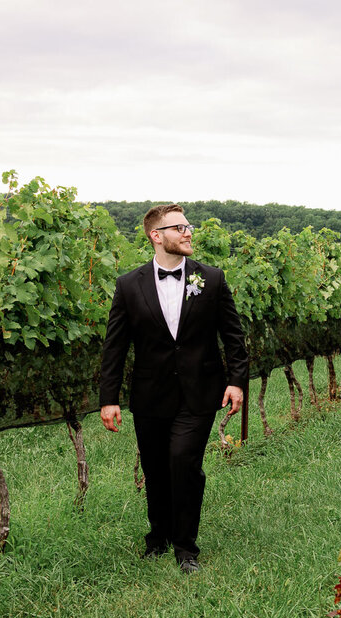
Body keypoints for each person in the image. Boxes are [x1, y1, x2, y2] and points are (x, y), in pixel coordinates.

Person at [99, 204, 248, 573]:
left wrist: (236, 381)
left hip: (199, 393)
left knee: (184, 463)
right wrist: (108, 399)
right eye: (179, 227)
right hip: (150, 397)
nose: (188, 232)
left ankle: (186, 548)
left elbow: (233, 336)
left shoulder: (211, 279)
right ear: (156, 235)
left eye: (188, 226)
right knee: (155, 468)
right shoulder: (128, 285)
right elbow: (115, 346)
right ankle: (158, 538)